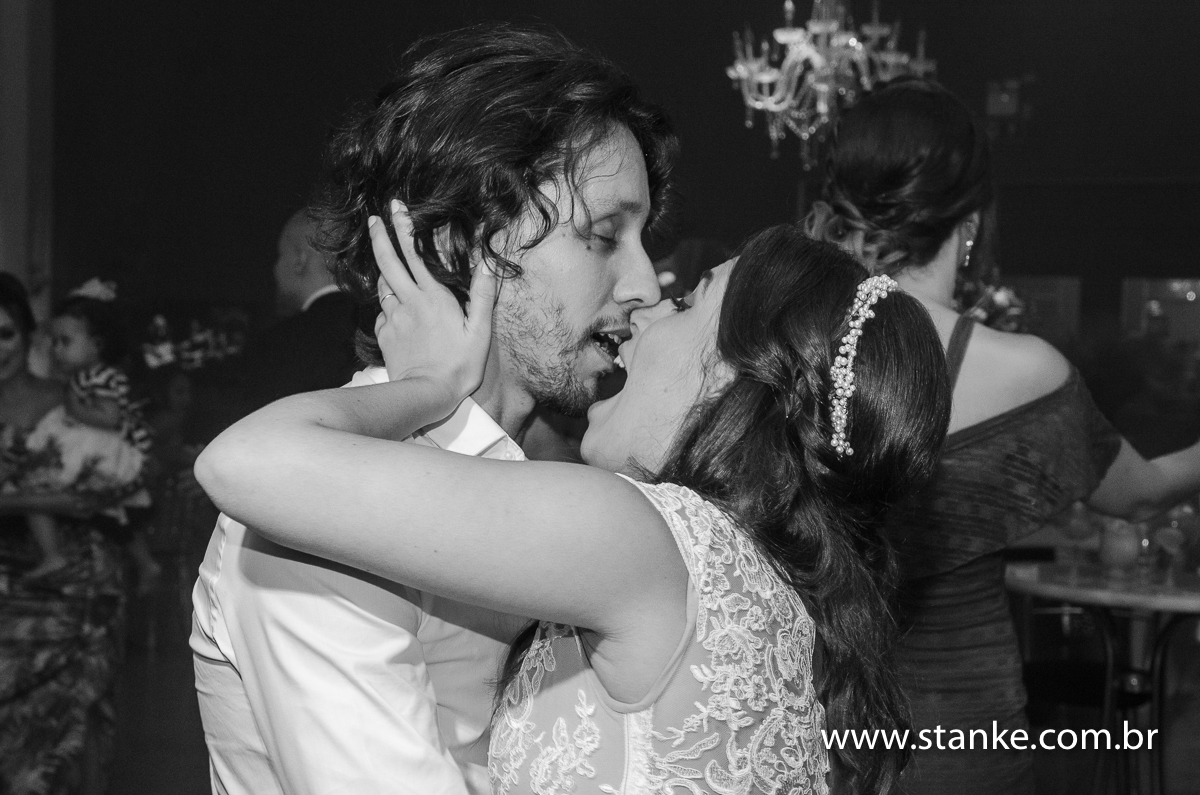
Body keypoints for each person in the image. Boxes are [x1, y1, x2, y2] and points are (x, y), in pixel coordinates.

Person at [197, 206, 952, 794]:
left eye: (688, 302)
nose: (649, 305)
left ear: (730, 375)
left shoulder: (655, 540)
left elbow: (248, 460)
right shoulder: (779, 592)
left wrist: (431, 387)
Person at [190, 24, 676, 795]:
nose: (646, 282)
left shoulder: (553, 480)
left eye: (644, 237)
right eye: (603, 236)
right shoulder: (308, 513)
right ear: (462, 246)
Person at [804, 78, 1200, 795]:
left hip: (819, 737)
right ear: (972, 223)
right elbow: (1140, 497)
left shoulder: (792, 350)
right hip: (966, 741)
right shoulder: (1027, 371)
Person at [0, 273, 128, 795]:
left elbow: (100, 491)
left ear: (29, 337)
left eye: (4, 334)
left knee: (65, 736)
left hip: (72, 586)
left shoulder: (68, 401)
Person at [11, 284, 153, 581]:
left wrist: (73, 406)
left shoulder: (100, 378)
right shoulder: (80, 379)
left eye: (65, 341)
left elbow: (110, 418)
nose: (57, 350)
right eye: (53, 342)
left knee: (50, 488)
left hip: (104, 455)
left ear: (97, 345)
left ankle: (57, 556)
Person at [232, 209, 359, 415]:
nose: (275, 268)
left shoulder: (276, 346)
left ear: (300, 261)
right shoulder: (381, 325)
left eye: (280, 255)